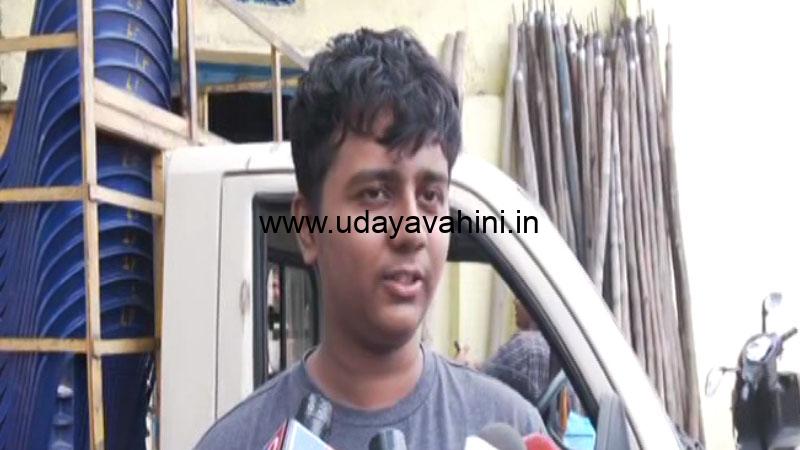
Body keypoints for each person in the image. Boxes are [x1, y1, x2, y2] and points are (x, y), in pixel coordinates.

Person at [195, 28, 545, 449]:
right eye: (376, 194)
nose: (412, 230)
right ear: (308, 227)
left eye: (430, 196)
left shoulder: (511, 429)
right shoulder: (236, 442)